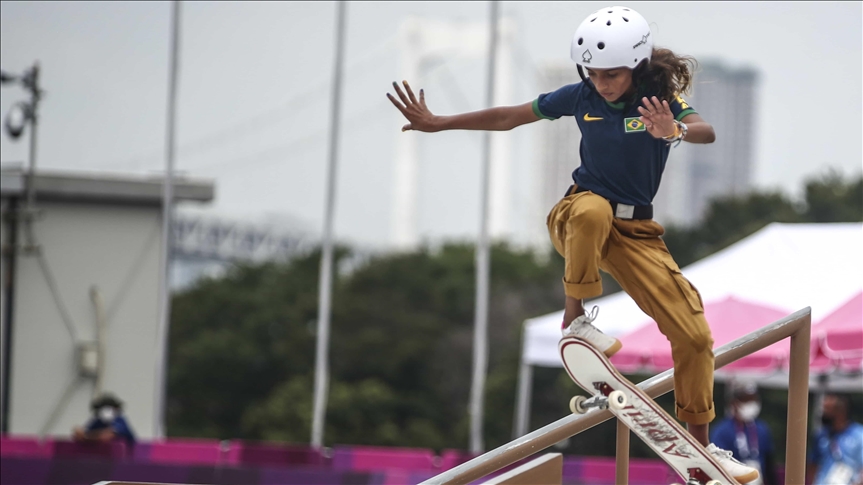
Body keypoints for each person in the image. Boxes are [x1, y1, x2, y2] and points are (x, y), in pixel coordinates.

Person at [387, 5, 759, 483]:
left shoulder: (658, 100)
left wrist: (675, 131)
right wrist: (441, 122)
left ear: (637, 66)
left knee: (695, 336)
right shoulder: (579, 96)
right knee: (593, 207)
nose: (603, 84)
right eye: (595, 74)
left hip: (638, 237)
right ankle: (574, 318)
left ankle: (703, 457)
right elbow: (510, 115)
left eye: (613, 75)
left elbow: (705, 131)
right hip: (577, 216)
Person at [710, 381, 778, 485]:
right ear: (734, 403)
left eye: (753, 399)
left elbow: (769, 463)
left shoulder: (762, 428)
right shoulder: (722, 431)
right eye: (746, 400)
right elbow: (717, 463)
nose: (750, 404)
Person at [807, 393, 863, 485]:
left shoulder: (859, 435)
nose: (822, 413)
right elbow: (813, 465)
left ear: (840, 411)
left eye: (827, 409)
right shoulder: (821, 435)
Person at [72, 393, 136, 447]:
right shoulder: (98, 421)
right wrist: (79, 432)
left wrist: (88, 436)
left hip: (126, 458)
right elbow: (82, 433)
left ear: (116, 409)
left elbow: (106, 436)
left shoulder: (120, 420)